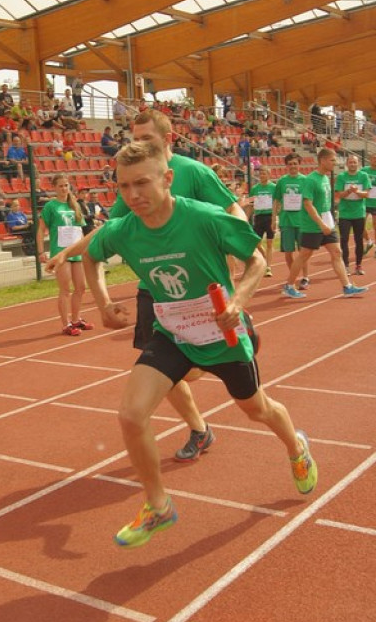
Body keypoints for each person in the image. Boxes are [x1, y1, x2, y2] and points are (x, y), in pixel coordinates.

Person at [81, 141, 317, 548]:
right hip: (173, 334)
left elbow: (257, 260)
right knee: (131, 415)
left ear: (167, 179)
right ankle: (158, 505)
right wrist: (103, 303)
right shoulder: (123, 229)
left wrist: (238, 301)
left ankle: (296, 448)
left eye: (142, 183)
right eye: (123, 186)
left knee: (256, 409)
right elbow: (90, 256)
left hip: (223, 335)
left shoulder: (205, 218)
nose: (133, 195)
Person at [47, 109, 247, 463]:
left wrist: (236, 251)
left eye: (146, 139)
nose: (137, 145)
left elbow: (233, 210)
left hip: (202, 288)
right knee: (162, 368)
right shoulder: (134, 179)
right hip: (155, 289)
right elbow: (109, 230)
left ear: (167, 140)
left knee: (196, 370)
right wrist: (67, 252)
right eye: (134, 139)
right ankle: (199, 428)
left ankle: (209, 357)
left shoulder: (194, 171)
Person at [282, 148, 368, 299]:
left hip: (327, 221)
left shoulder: (326, 178)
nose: (335, 163)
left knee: (337, 252)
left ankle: (347, 287)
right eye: (332, 160)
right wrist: (321, 224)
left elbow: (327, 202)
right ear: (322, 161)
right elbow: (308, 204)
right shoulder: (311, 179)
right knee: (304, 255)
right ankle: (289, 286)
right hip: (313, 225)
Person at [37, 174, 94, 337]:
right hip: (60, 252)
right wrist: (41, 251)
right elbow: (41, 230)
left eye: (66, 185)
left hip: (76, 251)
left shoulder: (74, 205)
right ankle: (66, 324)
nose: (64, 188)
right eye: (61, 186)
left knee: (81, 287)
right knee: (65, 289)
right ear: (55, 188)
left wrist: (84, 249)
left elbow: (80, 230)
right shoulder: (51, 206)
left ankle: (76, 319)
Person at [272, 153, 309, 290]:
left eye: (295, 163)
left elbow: (310, 200)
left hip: (302, 221)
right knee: (288, 252)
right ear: (286, 166)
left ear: (299, 165)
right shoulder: (282, 181)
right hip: (286, 221)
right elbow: (276, 200)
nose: (293, 166)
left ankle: (305, 277)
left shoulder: (305, 180)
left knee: (303, 252)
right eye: (290, 164)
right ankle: (294, 277)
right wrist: (273, 218)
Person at [334, 153, 370, 276]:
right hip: (344, 214)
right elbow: (338, 195)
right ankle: (346, 266)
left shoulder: (363, 176)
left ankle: (358, 265)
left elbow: (367, 194)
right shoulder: (341, 177)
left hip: (359, 213)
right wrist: (349, 191)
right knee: (344, 240)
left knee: (358, 240)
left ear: (358, 164)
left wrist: (357, 191)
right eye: (350, 162)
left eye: (354, 162)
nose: (353, 164)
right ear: (347, 164)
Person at [250, 166, 275, 277]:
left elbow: (277, 202)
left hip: (269, 217)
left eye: (264, 173)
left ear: (269, 175)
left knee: (269, 242)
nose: (262, 176)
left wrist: (275, 217)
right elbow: (251, 204)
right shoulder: (255, 188)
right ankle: (264, 258)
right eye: (260, 174)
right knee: (256, 243)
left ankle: (268, 267)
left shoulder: (274, 187)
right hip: (258, 217)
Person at [360, 151, 376, 257]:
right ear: (370, 159)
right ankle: (369, 242)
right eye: (374, 158)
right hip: (365, 202)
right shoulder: (364, 170)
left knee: (375, 225)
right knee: (360, 225)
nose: (375, 160)